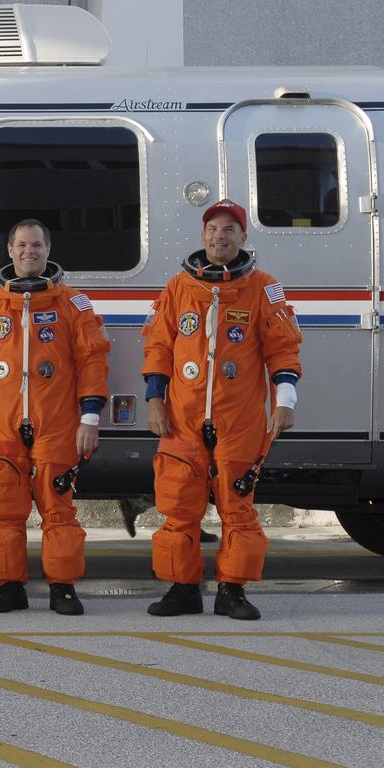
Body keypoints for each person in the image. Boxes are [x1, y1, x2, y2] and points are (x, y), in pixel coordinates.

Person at [142, 199, 302, 620]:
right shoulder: (178, 287)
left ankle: (232, 591)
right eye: (213, 228)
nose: (220, 236)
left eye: (230, 229)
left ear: (243, 238)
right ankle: (182, 590)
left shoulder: (264, 287)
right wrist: (155, 400)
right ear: (202, 236)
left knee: (237, 506)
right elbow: (158, 347)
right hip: (183, 416)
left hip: (240, 417)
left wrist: (285, 401)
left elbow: (282, 349)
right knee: (178, 504)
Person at [0, 220, 110, 615]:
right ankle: (9, 587)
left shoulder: (73, 304)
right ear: (9, 251)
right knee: (4, 512)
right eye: (22, 244)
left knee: (58, 511)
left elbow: (92, 363)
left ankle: (62, 588)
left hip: (57, 426)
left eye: (37, 245)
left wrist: (90, 419)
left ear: (48, 250)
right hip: (0, 427)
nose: (30, 251)